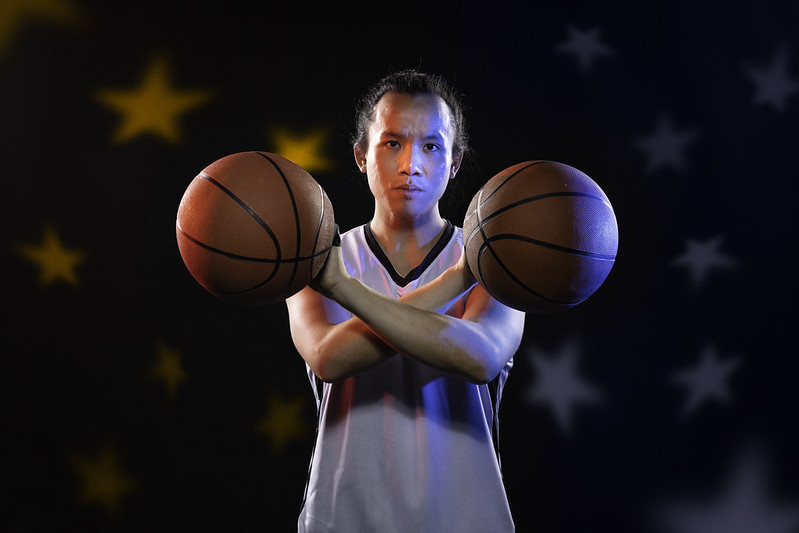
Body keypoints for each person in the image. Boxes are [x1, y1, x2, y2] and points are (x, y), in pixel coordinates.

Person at [286, 69, 526, 533]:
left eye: (431, 146)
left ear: (454, 163)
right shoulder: (319, 258)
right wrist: (457, 282)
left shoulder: (503, 259)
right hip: (343, 517)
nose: (411, 164)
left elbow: (481, 357)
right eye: (392, 143)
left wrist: (345, 291)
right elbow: (329, 357)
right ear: (361, 155)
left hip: (466, 519)